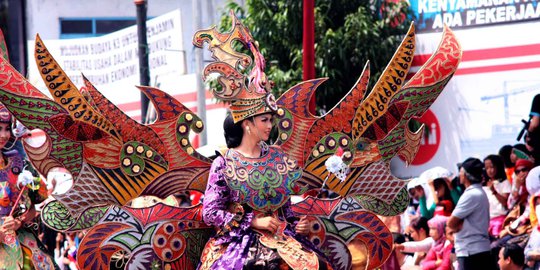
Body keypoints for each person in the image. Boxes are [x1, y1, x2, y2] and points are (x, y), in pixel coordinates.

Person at [198, 112, 330, 269]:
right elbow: (210, 213)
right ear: (247, 123)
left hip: (283, 236)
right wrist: (253, 222)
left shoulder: (276, 158)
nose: (270, 126)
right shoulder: (224, 162)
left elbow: (285, 210)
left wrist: (298, 225)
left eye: (271, 120)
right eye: (264, 120)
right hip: (239, 241)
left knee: (317, 264)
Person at [0, 104, 57, 269]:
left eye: (6, 129)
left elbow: (34, 207)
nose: (4, 135)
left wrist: (19, 222)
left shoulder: (21, 165)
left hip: (22, 241)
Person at [447, 157, 496, 270]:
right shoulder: (478, 192)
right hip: (476, 250)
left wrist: (458, 224)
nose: (459, 174)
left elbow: (451, 223)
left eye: (461, 171)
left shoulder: (471, 194)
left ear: (465, 174)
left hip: (471, 252)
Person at [482, 154, 511, 238]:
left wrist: (494, 191)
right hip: (488, 220)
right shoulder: (484, 185)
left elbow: (506, 203)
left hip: (500, 219)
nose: (489, 171)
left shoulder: (504, 183)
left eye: (491, 167)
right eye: (486, 168)